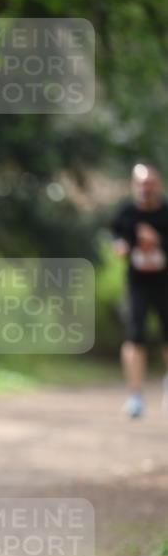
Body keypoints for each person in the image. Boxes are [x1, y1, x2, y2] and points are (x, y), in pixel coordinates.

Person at [111, 163, 168, 418]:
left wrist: (157, 241)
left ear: (158, 184)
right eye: (142, 183)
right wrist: (124, 245)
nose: (147, 188)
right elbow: (117, 239)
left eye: (151, 183)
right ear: (135, 185)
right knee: (135, 336)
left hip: (165, 281)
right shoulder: (126, 212)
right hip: (137, 282)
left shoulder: (166, 212)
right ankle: (135, 396)